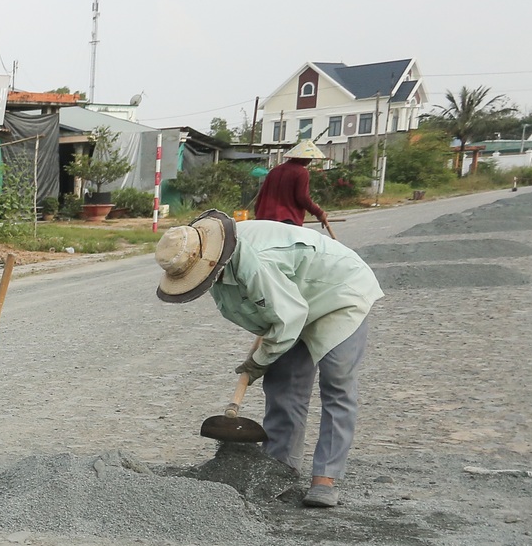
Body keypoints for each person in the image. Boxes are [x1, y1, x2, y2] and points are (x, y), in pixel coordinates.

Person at [153, 209, 383, 508]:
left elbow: (289, 317)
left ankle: (325, 477)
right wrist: (268, 342)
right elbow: (272, 311)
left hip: (337, 292)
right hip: (292, 299)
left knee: (337, 383)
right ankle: (279, 468)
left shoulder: (255, 262)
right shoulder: (209, 261)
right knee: (283, 384)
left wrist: (259, 361)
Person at [253, 139, 335, 237]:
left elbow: (261, 196)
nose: (310, 161)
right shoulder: (301, 172)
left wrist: (258, 214)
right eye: (309, 158)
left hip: (264, 219)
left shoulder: (274, 170)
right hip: (286, 220)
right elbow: (302, 198)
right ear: (303, 158)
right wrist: (319, 212)